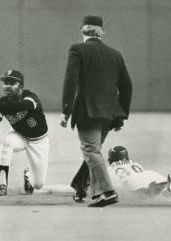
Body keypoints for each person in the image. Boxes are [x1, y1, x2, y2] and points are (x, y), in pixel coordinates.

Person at [60, 15, 133, 207]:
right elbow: (127, 86)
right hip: (109, 113)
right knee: (95, 151)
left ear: (82, 30)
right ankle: (80, 185)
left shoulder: (77, 49)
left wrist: (66, 111)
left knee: (91, 150)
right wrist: (121, 114)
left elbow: (71, 81)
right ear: (102, 32)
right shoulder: (115, 54)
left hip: (87, 110)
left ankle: (107, 192)